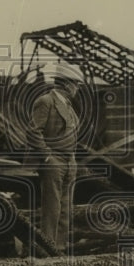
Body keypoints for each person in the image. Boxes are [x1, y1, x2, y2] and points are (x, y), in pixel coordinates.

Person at [28, 63, 83, 251]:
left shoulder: (68, 105)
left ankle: (58, 250)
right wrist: (47, 158)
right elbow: (34, 132)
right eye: (76, 84)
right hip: (54, 162)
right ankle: (47, 250)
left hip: (69, 161)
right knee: (52, 210)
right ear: (67, 84)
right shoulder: (46, 101)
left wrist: (73, 159)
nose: (77, 88)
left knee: (65, 210)